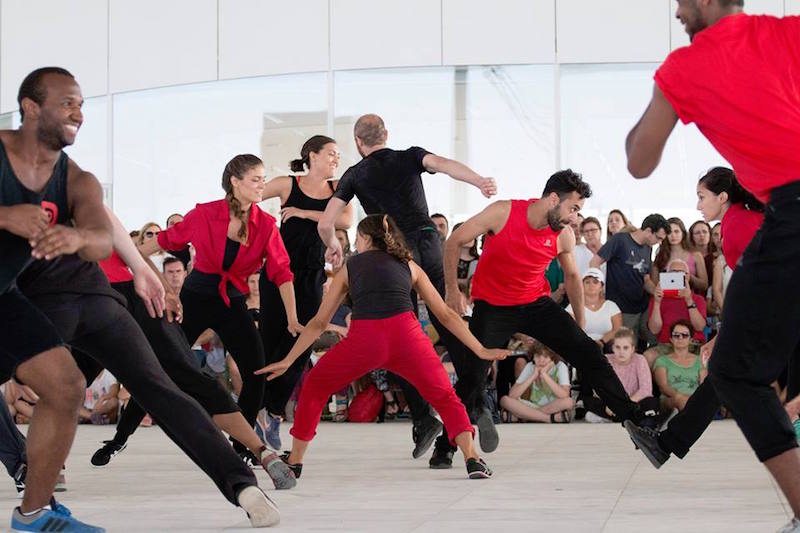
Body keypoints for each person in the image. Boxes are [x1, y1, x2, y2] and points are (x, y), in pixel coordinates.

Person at [6, 67, 280, 529]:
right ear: (31, 108)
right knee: (66, 386)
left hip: (90, 295)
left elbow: (100, 231)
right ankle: (32, 495)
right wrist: (7, 215)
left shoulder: (76, 177)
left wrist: (104, 253)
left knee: (156, 386)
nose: (79, 114)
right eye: (67, 103)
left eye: (82, 104)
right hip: (26, 302)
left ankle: (243, 484)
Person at [623, 4, 800, 529]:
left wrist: (665, 94)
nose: (677, 11)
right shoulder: (787, 32)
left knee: (734, 372)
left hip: (792, 211)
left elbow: (638, 160)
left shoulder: (685, 67)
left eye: (681, 0)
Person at [257, 214, 508, 480]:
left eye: (356, 239)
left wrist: (289, 359)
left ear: (365, 238)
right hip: (408, 337)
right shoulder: (409, 265)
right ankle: (473, 458)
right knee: (445, 397)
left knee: (316, 387)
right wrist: (479, 349)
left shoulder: (350, 267)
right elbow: (446, 315)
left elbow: (319, 322)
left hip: (366, 338)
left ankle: (294, 461)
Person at [441, 169, 653, 467]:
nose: (575, 218)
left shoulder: (563, 235)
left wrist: (578, 324)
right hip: (493, 306)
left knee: (589, 353)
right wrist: (452, 291)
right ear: (554, 199)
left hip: (535, 304)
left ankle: (636, 422)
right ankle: (444, 444)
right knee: (472, 378)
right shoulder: (503, 212)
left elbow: (572, 276)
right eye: (573, 209)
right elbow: (454, 241)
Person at [317, 113, 497, 459]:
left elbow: (327, 222)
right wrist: (478, 181)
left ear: (358, 143)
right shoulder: (409, 155)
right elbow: (444, 165)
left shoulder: (355, 174)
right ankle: (477, 402)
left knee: (397, 336)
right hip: (428, 241)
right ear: (386, 134)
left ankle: (422, 417)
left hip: (392, 256)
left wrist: (334, 246)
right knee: (447, 318)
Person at [140, 153, 301, 458]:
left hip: (233, 302)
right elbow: (163, 240)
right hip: (196, 298)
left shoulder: (265, 224)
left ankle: (241, 446)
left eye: (263, 179)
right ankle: (122, 434)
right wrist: (130, 257)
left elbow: (282, 272)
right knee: (163, 362)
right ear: (235, 182)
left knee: (256, 374)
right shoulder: (204, 214)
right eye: (256, 179)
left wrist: (292, 317)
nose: (261, 185)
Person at [625, 168, 765, 466]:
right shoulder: (739, 220)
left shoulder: (738, 224)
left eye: (702, 197)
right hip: (775, 310)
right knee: (726, 378)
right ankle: (667, 443)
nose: (698, 206)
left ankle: (667, 444)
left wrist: (725, 333)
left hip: (779, 310)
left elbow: (755, 284)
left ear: (723, 196)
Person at [257, 135, 352, 451]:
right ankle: (261, 413)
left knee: (301, 343)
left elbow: (346, 219)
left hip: (311, 276)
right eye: (330, 153)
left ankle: (270, 411)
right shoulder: (288, 184)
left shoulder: (337, 189)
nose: (336, 159)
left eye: (338, 155)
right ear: (311, 155)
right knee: (271, 342)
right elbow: (249, 196)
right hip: (277, 274)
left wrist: (303, 213)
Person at [590, 214, 669, 349]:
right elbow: (594, 263)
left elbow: (646, 279)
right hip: (622, 309)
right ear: (649, 231)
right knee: (623, 350)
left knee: (648, 344)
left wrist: (656, 290)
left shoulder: (647, 248)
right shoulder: (620, 240)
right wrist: (599, 293)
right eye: (659, 238)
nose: (660, 242)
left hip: (642, 307)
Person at [643, 259, 707, 367]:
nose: (677, 276)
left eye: (682, 273)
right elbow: (654, 330)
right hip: (667, 344)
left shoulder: (698, 299)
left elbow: (700, 327)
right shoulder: (658, 299)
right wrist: (657, 303)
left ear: (688, 276)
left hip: (693, 344)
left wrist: (689, 300)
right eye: (673, 273)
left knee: (708, 357)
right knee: (647, 357)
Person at [584, 328, 656, 423]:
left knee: (651, 402)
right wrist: (611, 404)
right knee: (589, 401)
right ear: (612, 348)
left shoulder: (640, 360)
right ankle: (630, 418)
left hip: (634, 401)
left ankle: (615, 417)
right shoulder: (606, 359)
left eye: (625, 348)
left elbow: (645, 389)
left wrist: (625, 404)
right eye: (617, 347)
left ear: (632, 349)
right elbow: (599, 388)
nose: (621, 352)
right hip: (611, 402)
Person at [499, 340, 573, 423]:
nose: (541, 360)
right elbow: (512, 395)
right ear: (533, 356)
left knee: (569, 402)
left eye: (545, 356)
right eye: (538, 356)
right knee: (504, 400)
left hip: (553, 406)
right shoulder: (530, 366)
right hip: (532, 406)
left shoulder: (560, 366)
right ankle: (547, 418)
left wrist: (544, 375)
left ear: (552, 357)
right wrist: (533, 375)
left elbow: (564, 395)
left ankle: (525, 417)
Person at [652, 320, 707, 412]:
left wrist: (694, 399)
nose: (680, 338)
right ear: (671, 339)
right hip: (671, 399)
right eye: (676, 335)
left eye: (684, 335)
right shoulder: (661, 360)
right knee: (682, 401)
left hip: (695, 399)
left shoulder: (700, 361)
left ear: (691, 340)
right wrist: (679, 396)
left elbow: (703, 386)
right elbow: (663, 386)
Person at [565, 267, 622, 349]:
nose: (591, 285)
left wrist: (601, 342)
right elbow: (570, 330)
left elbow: (617, 328)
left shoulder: (611, 306)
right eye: (587, 282)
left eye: (595, 282)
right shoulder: (572, 306)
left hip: (608, 347)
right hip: (581, 347)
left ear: (601, 287)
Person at [652, 217, 708, 294]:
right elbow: (654, 284)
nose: (673, 235)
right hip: (666, 300)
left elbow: (704, 285)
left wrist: (688, 276)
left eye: (676, 231)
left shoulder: (696, 255)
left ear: (683, 233)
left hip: (689, 300)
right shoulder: (660, 256)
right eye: (669, 232)